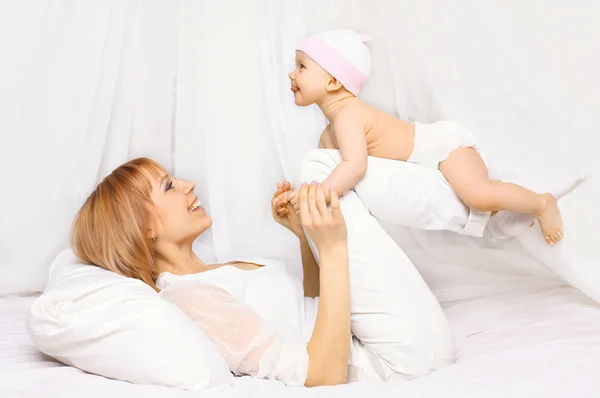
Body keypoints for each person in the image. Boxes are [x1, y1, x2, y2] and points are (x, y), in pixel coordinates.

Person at [71, 157, 454, 386]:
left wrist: (304, 237)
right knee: (319, 166)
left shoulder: (213, 272)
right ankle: (468, 196)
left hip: (386, 339)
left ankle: (464, 188)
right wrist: (333, 248)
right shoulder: (190, 298)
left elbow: (311, 311)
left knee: (324, 171)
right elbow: (320, 374)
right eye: (169, 186)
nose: (188, 185)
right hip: (397, 361)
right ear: (145, 228)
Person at [281, 28, 563, 246]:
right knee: (481, 209)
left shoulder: (348, 116)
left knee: (478, 196)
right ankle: (515, 208)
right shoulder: (330, 133)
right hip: (429, 162)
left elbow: (354, 166)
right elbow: (328, 172)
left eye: (302, 66)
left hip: (443, 148)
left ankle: (541, 202)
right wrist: (300, 196)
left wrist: (319, 194)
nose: (292, 74)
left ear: (334, 81)